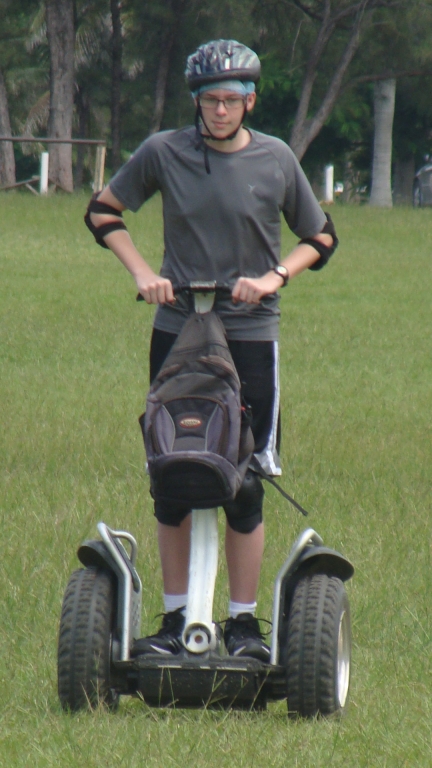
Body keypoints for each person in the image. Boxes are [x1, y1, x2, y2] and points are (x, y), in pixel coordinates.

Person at [85, 39, 338, 662]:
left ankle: (244, 628)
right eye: (209, 100)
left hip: (250, 333)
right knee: (172, 473)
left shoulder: (276, 159)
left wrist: (274, 277)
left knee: (245, 482)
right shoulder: (164, 151)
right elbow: (103, 212)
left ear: (249, 101)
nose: (219, 110)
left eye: (230, 99)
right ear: (195, 102)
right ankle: (174, 624)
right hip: (178, 329)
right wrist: (143, 272)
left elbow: (322, 236)